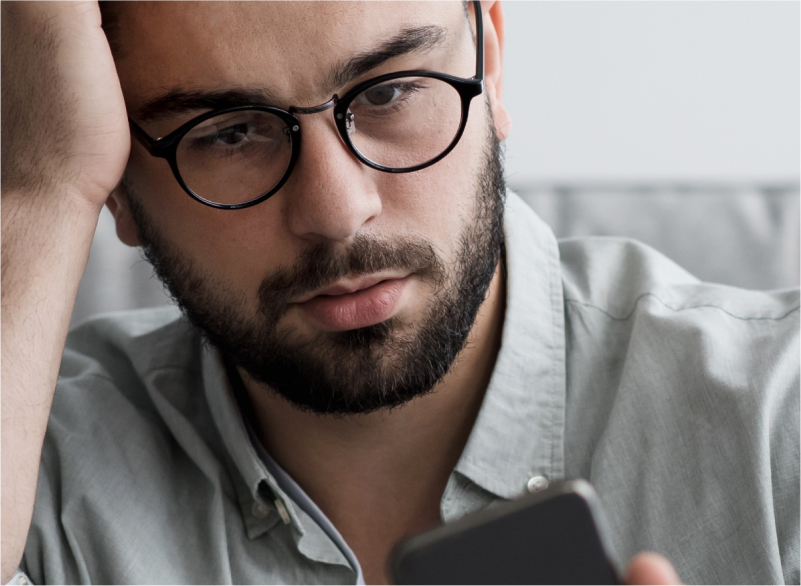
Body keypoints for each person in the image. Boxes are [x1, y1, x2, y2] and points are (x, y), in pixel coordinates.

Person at [2, 1, 797, 584]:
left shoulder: (775, 424)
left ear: (488, 55)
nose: (337, 212)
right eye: (230, 133)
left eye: (387, 92)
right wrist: (40, 193)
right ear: (116, 185)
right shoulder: (41, 471)